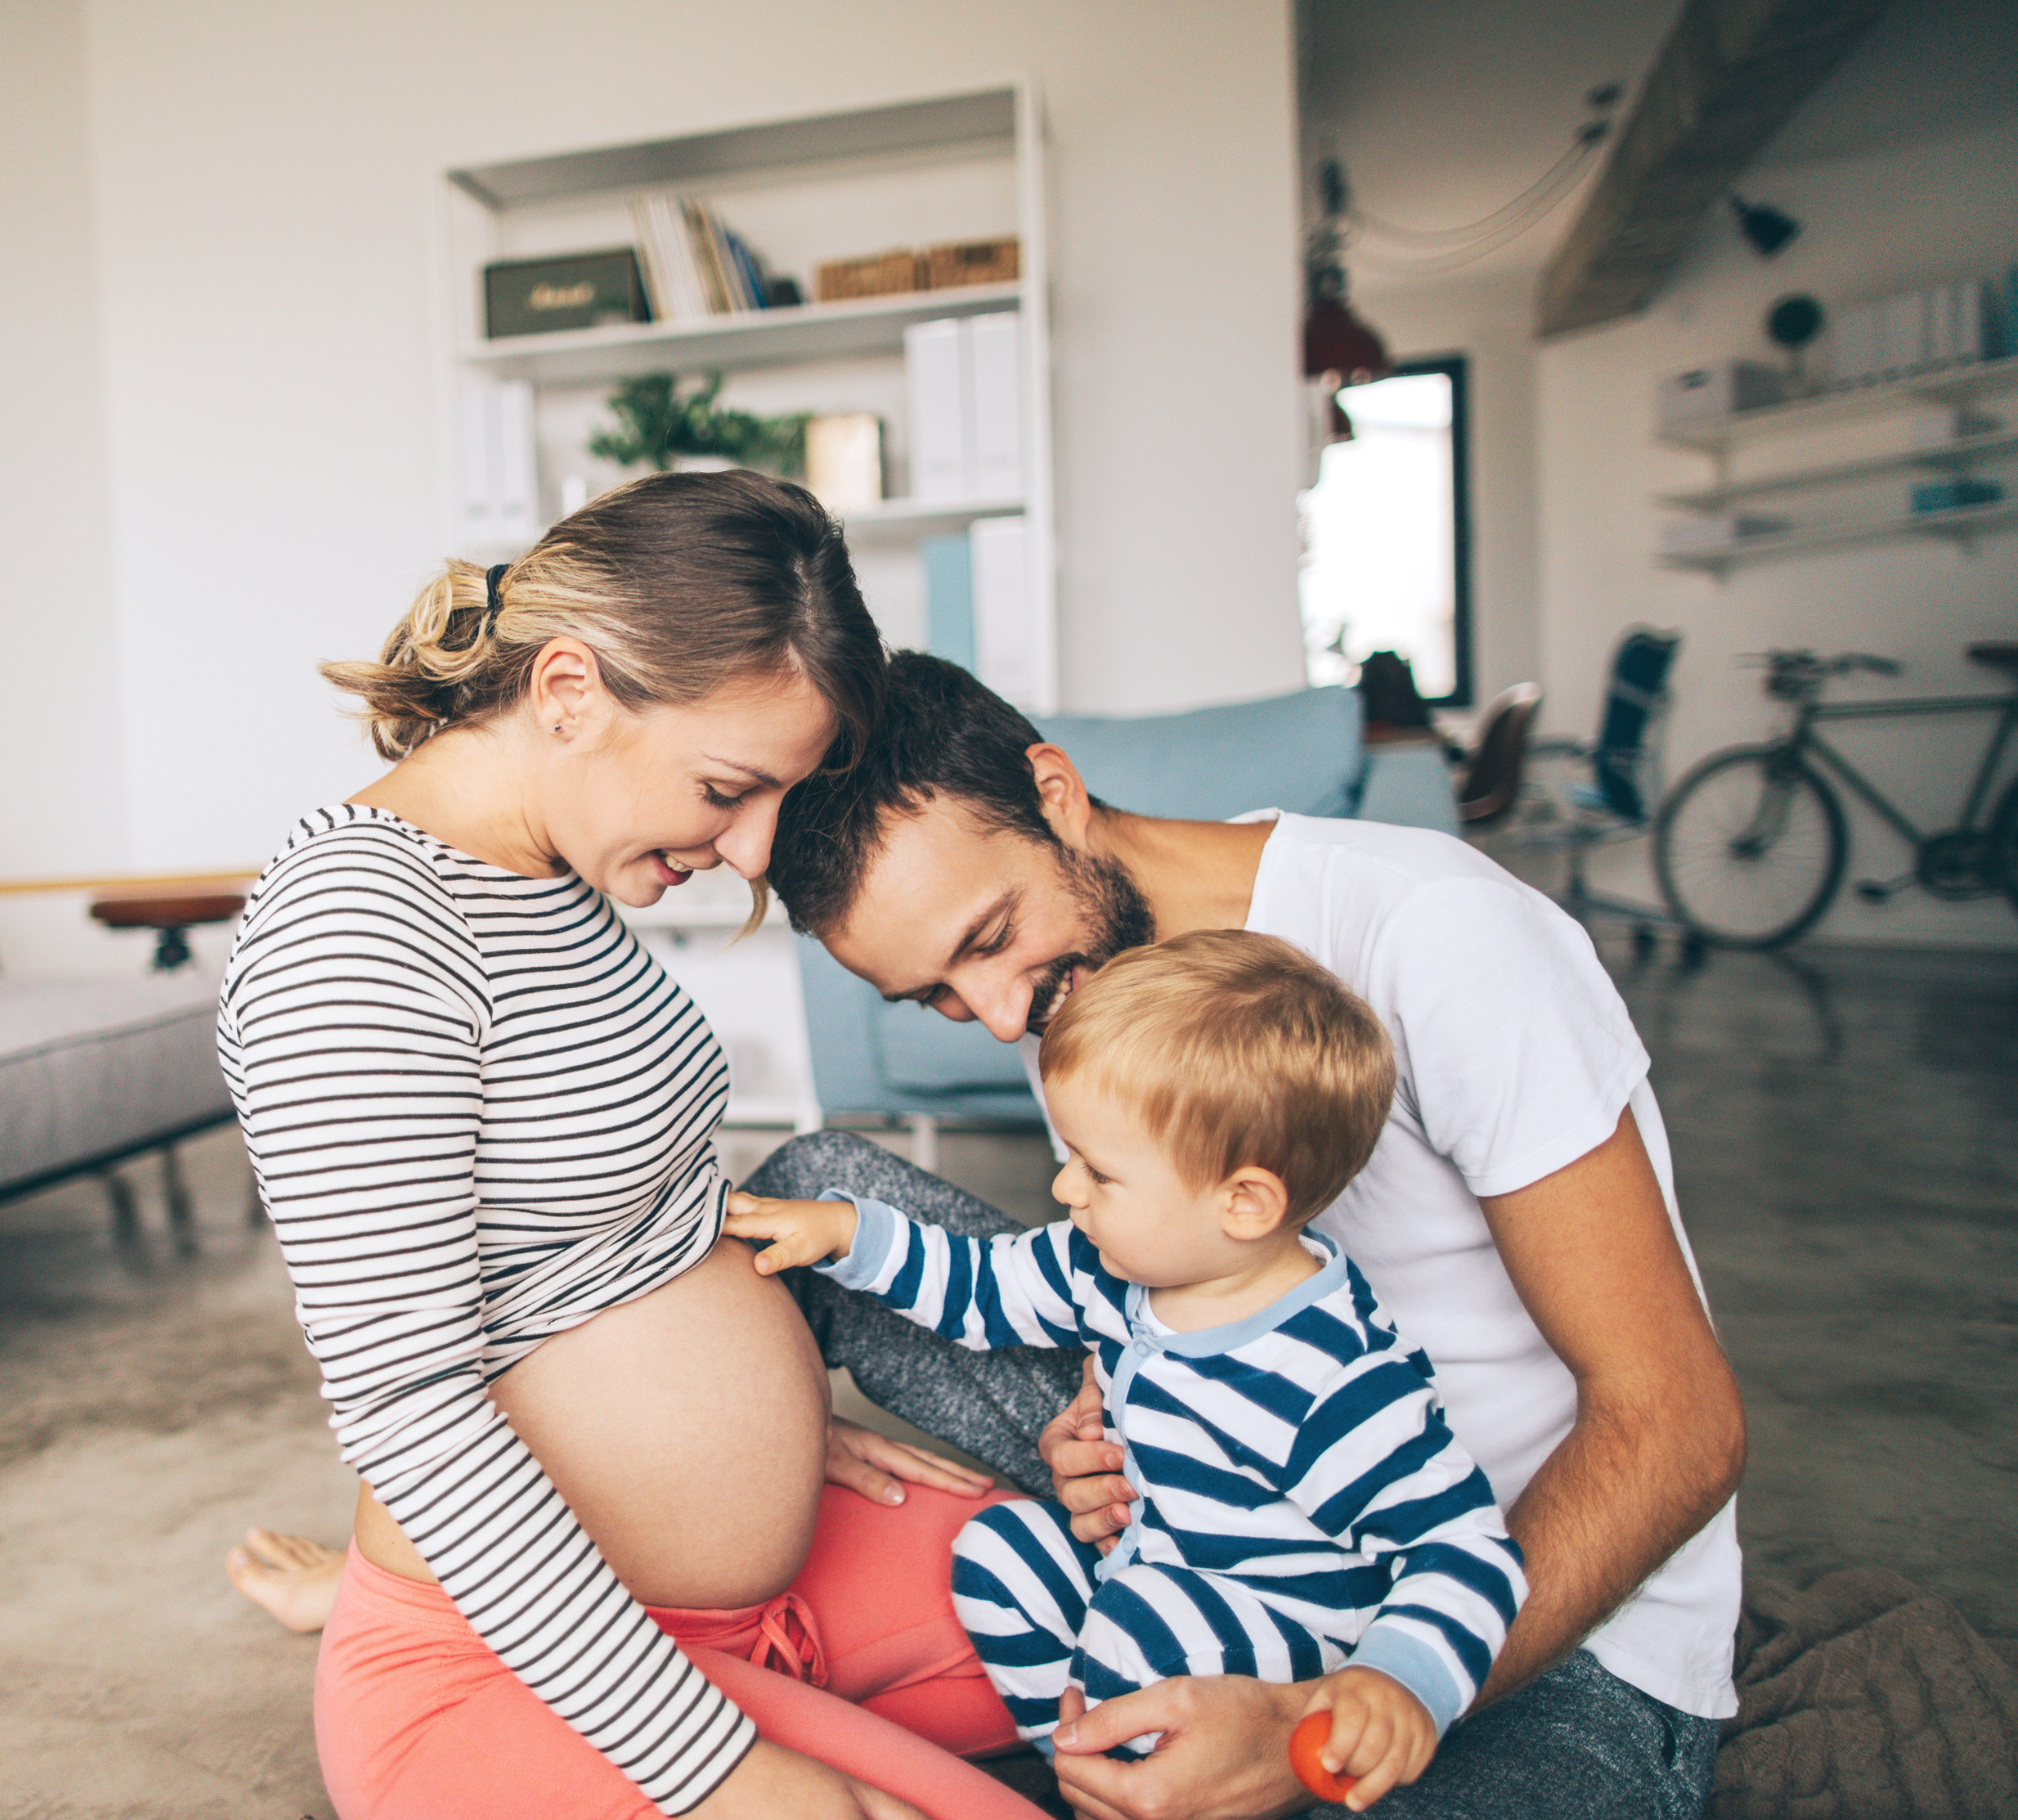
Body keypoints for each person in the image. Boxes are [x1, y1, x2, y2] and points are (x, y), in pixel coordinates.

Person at [743, 651, 1739, 1820]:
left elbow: (1679, 1423)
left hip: (1526, 1623)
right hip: (1223, 1526)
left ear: (1055, 793)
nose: (1000, 1014)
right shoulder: (1071, 970)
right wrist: (1095, 1397)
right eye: (938, 996)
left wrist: (1324, 1715)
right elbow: (1154, 1266)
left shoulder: (1436, 933)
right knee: (811, 1194)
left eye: (987, 937)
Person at [227, 471, 1042, 1820]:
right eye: (730, 787)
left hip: (741, 1583)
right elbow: (409, 1407)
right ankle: (374, 1630)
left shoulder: (547, 865)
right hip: (510, 1659)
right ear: (566, 692)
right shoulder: (360, 937)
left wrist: (762, 1432)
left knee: (1157, 1635)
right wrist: (727, 1770)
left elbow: (605, 1236)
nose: (755, 849)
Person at [727, 930, 1527, 1812]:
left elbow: (1465, 1548)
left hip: (1279, 1638)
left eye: (1099, 1172)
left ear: (1244, 1202)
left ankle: (1140, 1764)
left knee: (1141, 1624)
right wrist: (848, 1235)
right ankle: (1092, 1772)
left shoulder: (1330, 1377)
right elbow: (981, 1284)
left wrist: (1398, 1679)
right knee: (998, 1553)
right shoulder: (1113, 1265)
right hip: (1149, 1567)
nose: (1066, 1190)